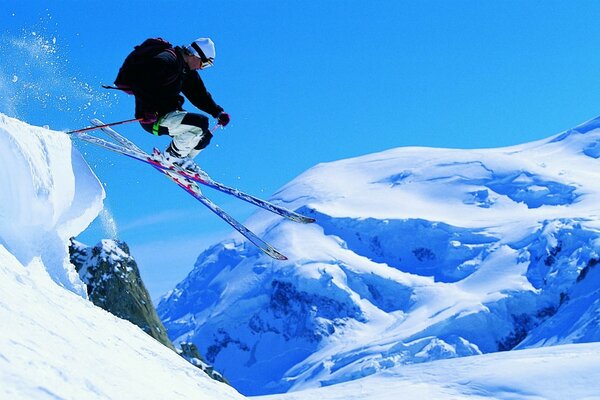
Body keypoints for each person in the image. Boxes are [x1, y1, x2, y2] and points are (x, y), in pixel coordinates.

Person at [114, 37, 230, 172]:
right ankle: (172, 157)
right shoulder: (167, 61)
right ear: (195, 55)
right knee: (200, 123)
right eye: (204, 64)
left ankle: (182, 162)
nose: (202, 68)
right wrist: (147, 109)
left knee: (204, 136)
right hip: (153, 118)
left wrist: (217, 112)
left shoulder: (185, 71)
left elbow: (199, 95)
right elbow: (141, 80)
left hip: (169, 115)